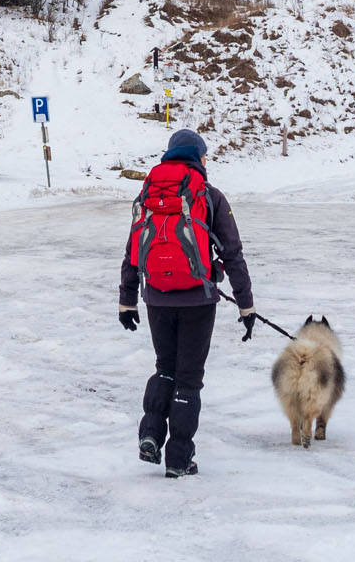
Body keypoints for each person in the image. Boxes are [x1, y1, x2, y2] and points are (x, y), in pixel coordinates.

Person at [118, 128, 255, 478]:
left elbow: (133, 250)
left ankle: (150, 434)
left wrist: (127, 301)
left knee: (165, 366)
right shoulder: (209, 195)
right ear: (198, 156)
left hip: (156, 298)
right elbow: (233, 254)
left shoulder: (149, 193)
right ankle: (178, 458)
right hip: (198, 299)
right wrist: (246, 305)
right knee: (189, 378)